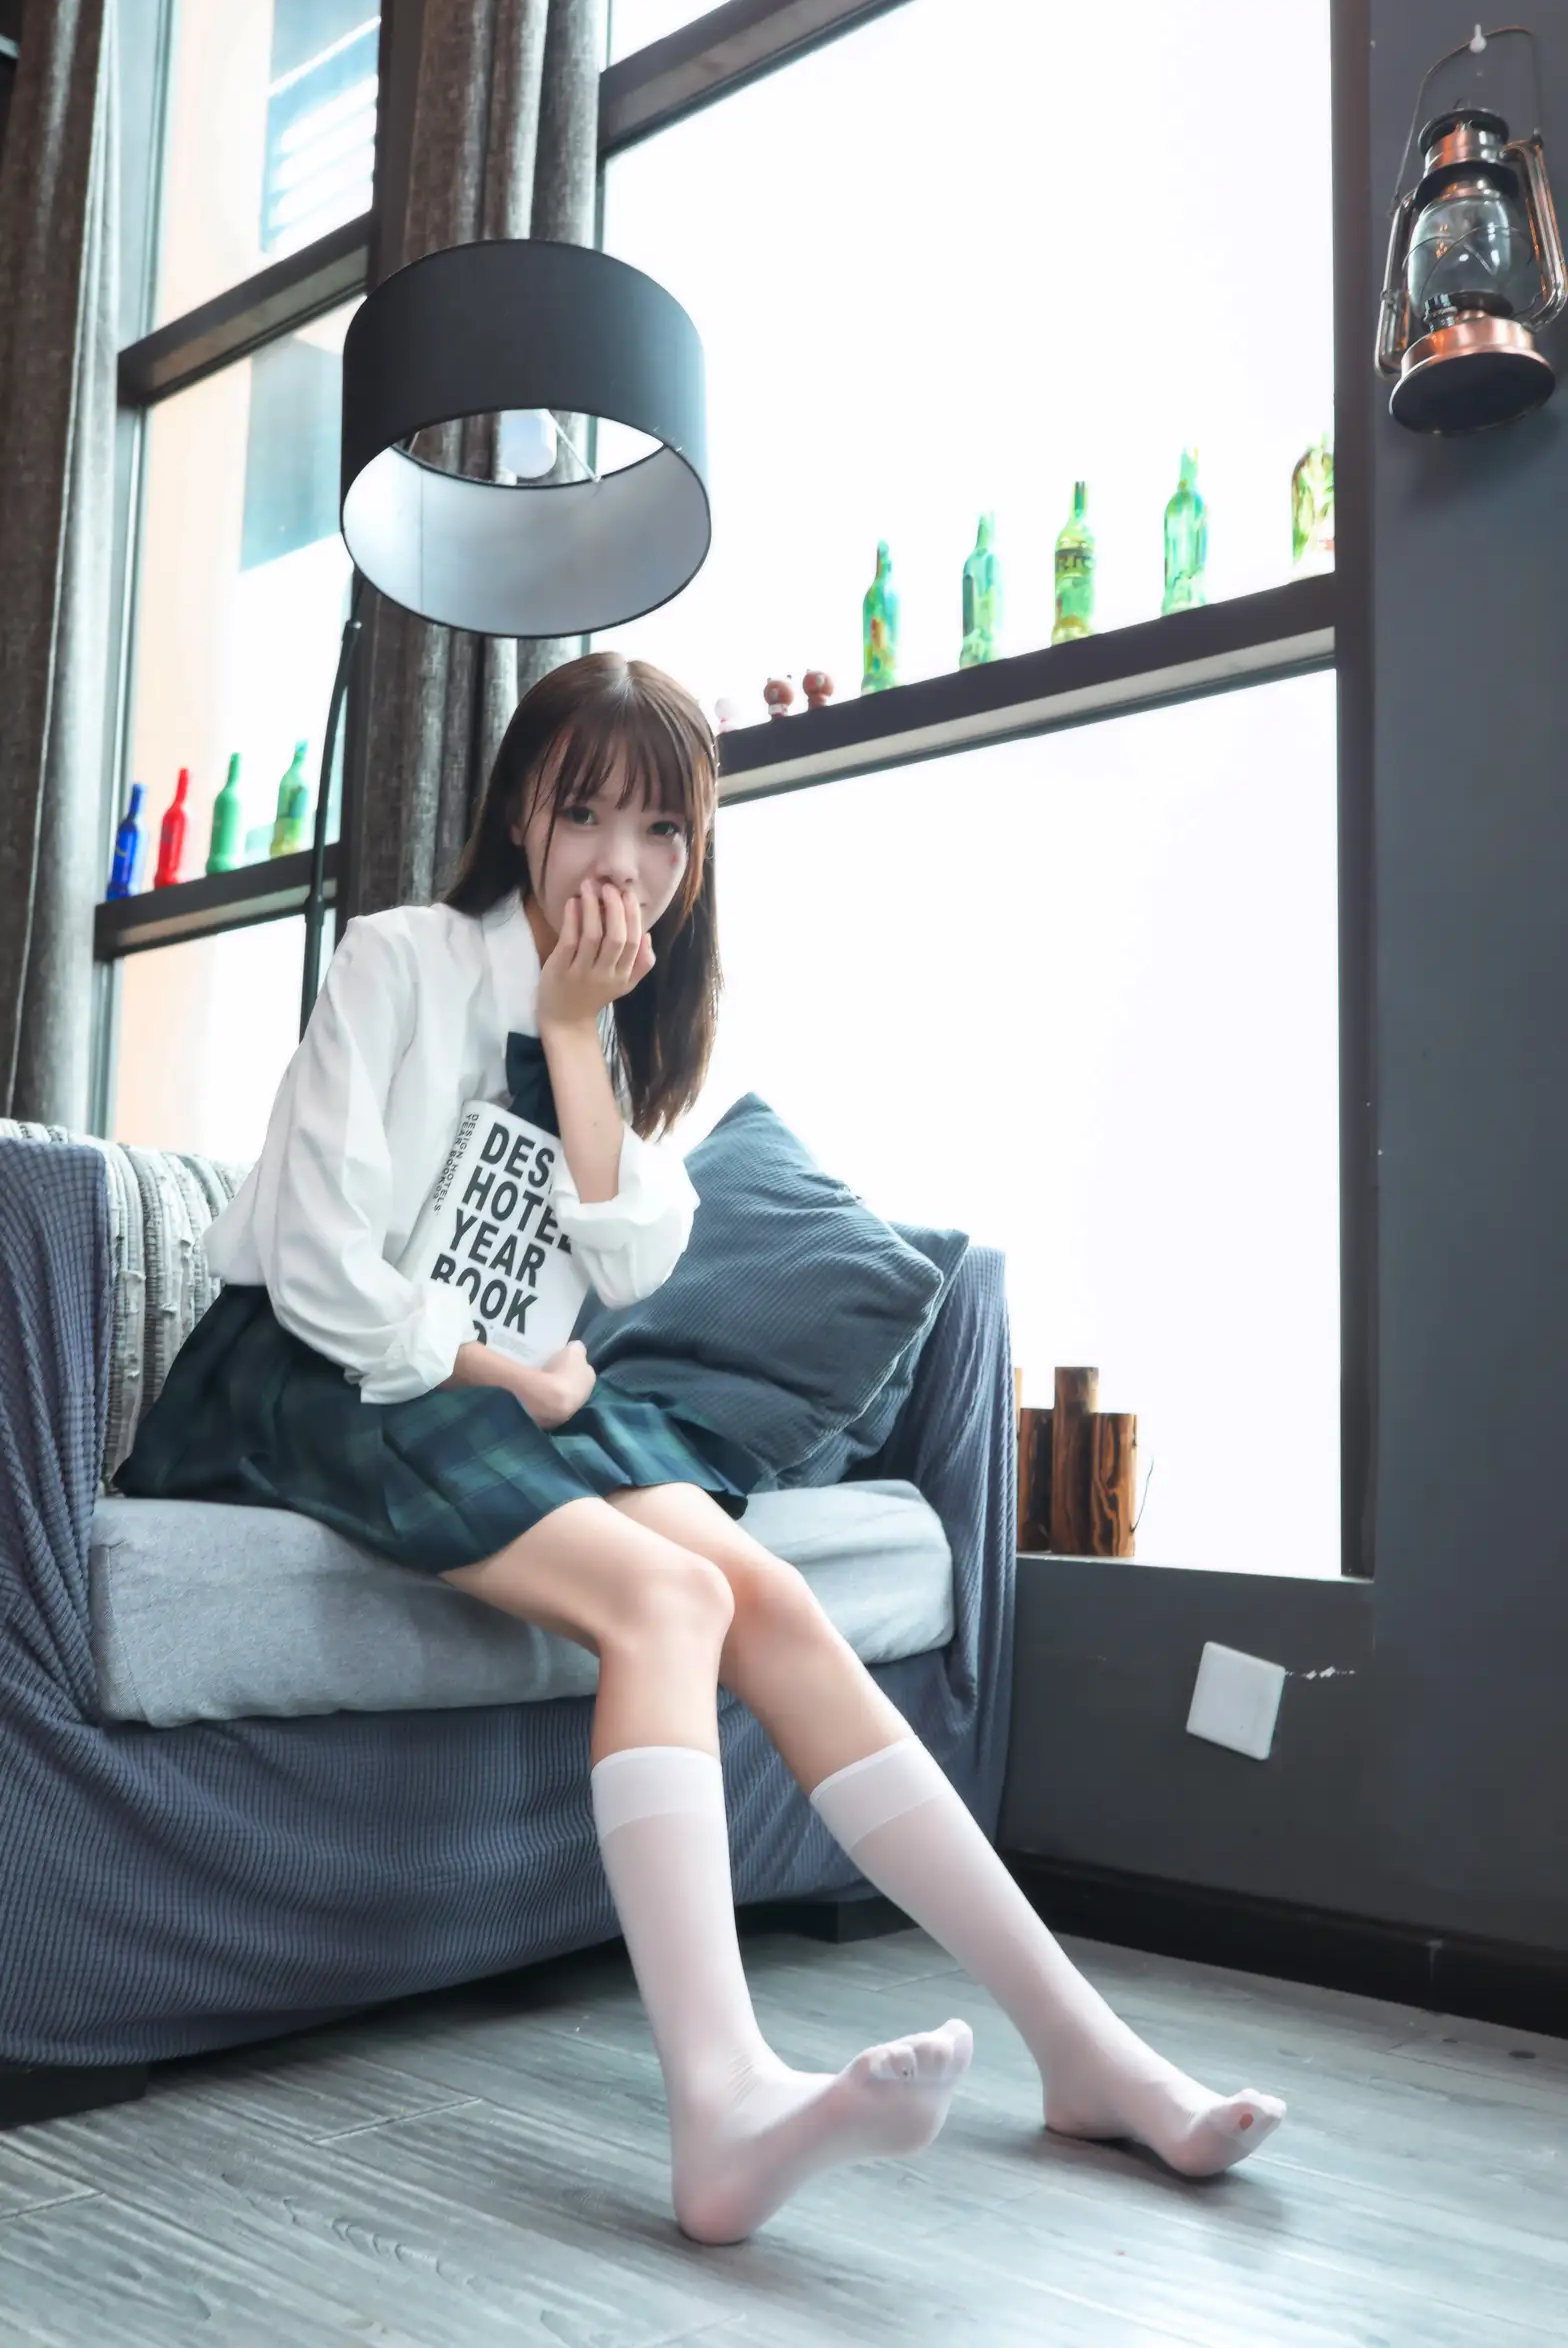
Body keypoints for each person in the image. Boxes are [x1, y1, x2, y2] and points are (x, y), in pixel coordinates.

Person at [120, 651, 1285, 2245]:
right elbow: (322, 1272)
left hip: (500, 1386)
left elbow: (634, 1259)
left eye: (662, 830)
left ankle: (1083, 2048)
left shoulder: (604, 1030)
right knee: (669, 1599)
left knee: (773, 1600)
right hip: (311, 1374)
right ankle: (722, 2104)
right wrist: (507, 1374)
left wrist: (576, 1034)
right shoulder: (397, 961)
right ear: (519, 813)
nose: (620, 860)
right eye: (585, 813)